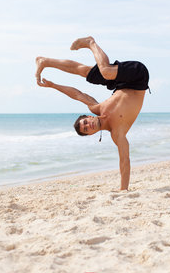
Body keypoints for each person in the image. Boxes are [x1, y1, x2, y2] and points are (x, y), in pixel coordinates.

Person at [35, 37, 150, 190]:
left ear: (89, 117)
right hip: (138, 78)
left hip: (122, 82)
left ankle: (47, 60)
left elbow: (77, 95)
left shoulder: (97, 108)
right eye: (86, 129)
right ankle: (89, 44)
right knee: (106, 71)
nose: (88, 125)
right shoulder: (118, 133)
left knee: (85, 71)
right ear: (91, 134)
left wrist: (54, 86)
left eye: (85, 123)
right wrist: (124, 190)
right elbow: (125, 161)